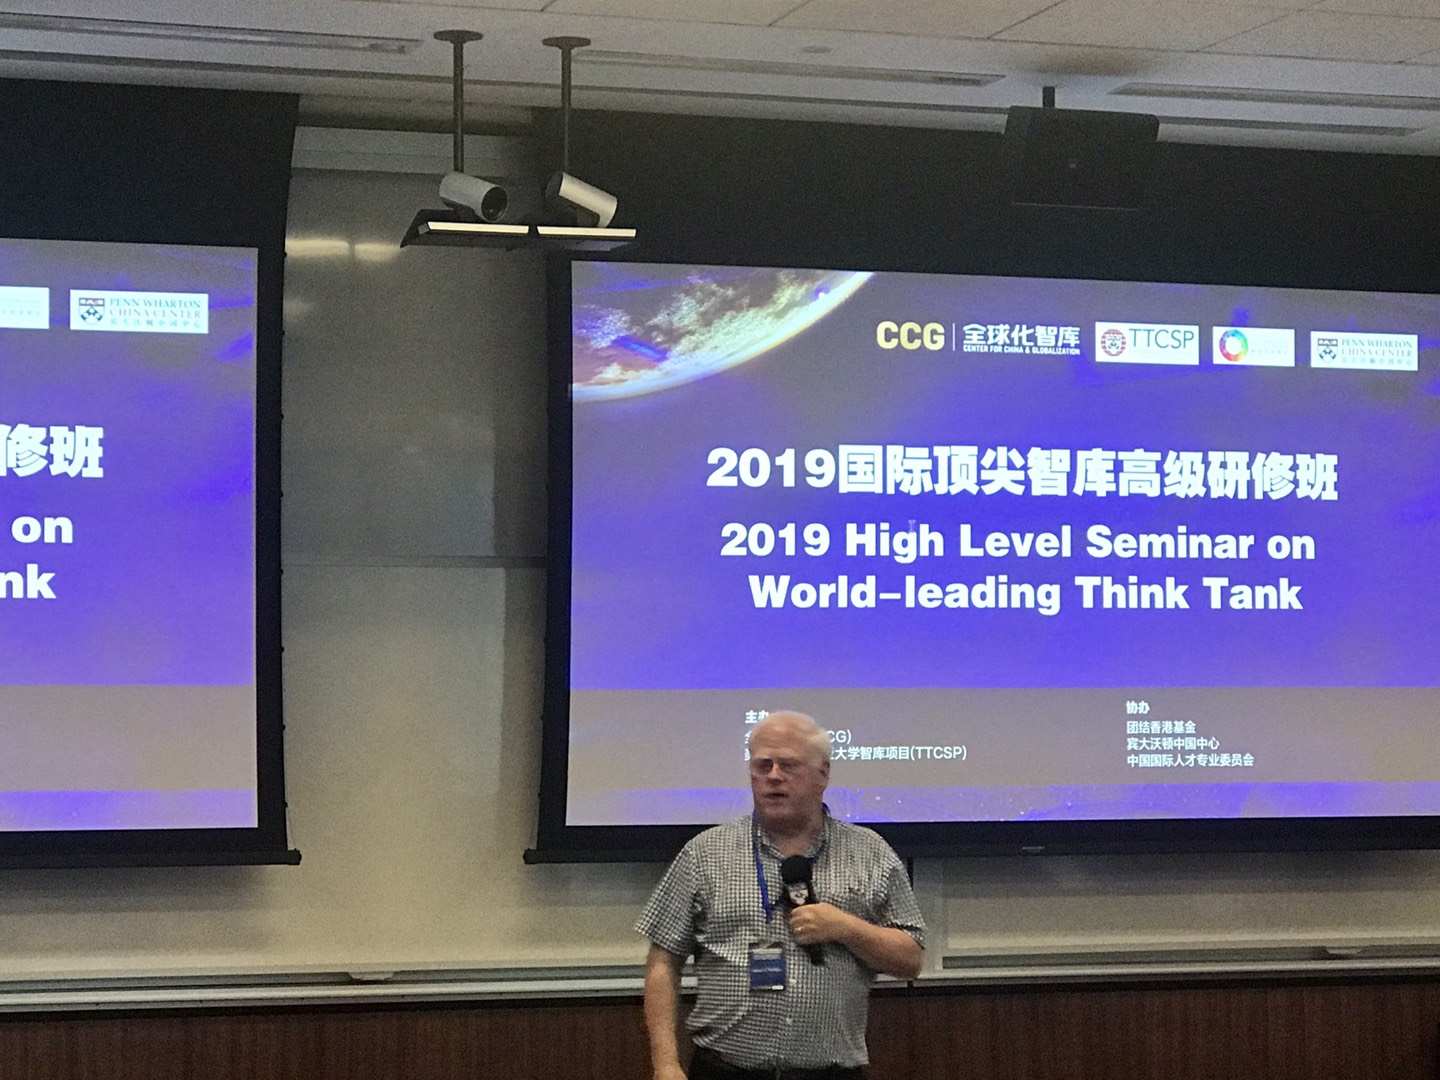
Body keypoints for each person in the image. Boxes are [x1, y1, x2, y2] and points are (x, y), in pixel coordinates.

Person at [637, 711, 925, 1080]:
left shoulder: (870, 853)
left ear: (823, 774)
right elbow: (663, 961)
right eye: (762, 765)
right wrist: (665, 1064)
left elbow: (910, 959)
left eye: (788, 765)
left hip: (830, 1073)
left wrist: (846, 928)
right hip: (725, 1070)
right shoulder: (704, 854)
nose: (773, 776)